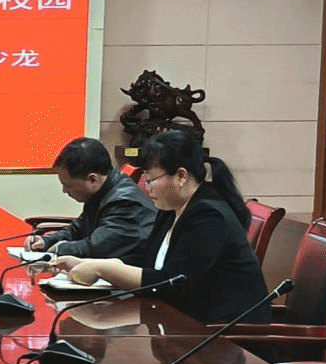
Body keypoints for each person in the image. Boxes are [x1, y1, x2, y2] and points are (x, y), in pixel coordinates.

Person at [51, 130, 271, 324]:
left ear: (181, 176)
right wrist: (89, 263)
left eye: (151, 179)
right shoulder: (171, 209)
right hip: (179, 323)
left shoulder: (209, 216)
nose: (147, 187)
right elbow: (146, 259)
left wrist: (103, 269)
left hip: (223, 337)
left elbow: (172, 283)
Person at [25, 137, 155, 258]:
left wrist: (59, 249)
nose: (64, 191)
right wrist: (46, 241)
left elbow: (96, 249)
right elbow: (77, 230)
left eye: (67, 185)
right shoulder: (101, 191)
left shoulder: (124, 203)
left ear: (93, 179)